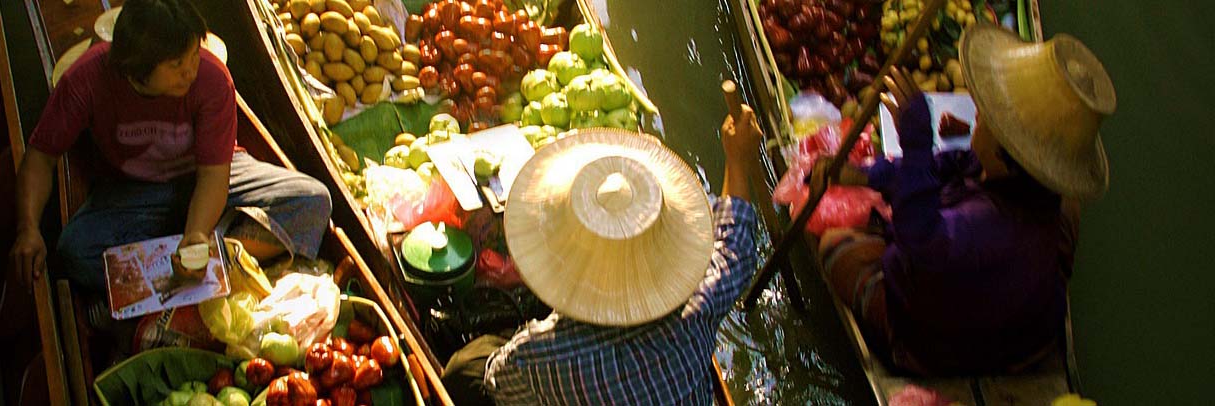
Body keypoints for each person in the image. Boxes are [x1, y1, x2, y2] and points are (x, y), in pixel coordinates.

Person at [816, 24, 1117, 374]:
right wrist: (863, 176)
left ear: (1006, 153)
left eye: (987, 121)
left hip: (949, 339)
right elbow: (950, 165)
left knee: (837, 246)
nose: (977, 119)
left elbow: (921, 239)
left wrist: (917, 144)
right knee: (1065, 208)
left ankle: (911, 352)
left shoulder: (985, 225)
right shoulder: (1021, 175)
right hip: (1018, 303)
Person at [439, 107, 767, 404]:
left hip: (539, 371)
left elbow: (498, 381)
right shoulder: (699, 306)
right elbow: (734, 248)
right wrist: (737, 160)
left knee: (463, 370)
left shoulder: (540, 356)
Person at [10, 0, 332, 295]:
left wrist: (196, 235)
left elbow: (212, 177)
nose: (190, 70)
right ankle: (203, 261)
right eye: (177, 64)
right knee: (75, 252)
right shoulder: (86, 79)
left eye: (194, 54)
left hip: (214, 177)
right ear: (136, 67)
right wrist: (28, 228)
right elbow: (40, 157)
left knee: (312, 201)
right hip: (136, 191)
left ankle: (190, 260)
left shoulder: (211, 78)